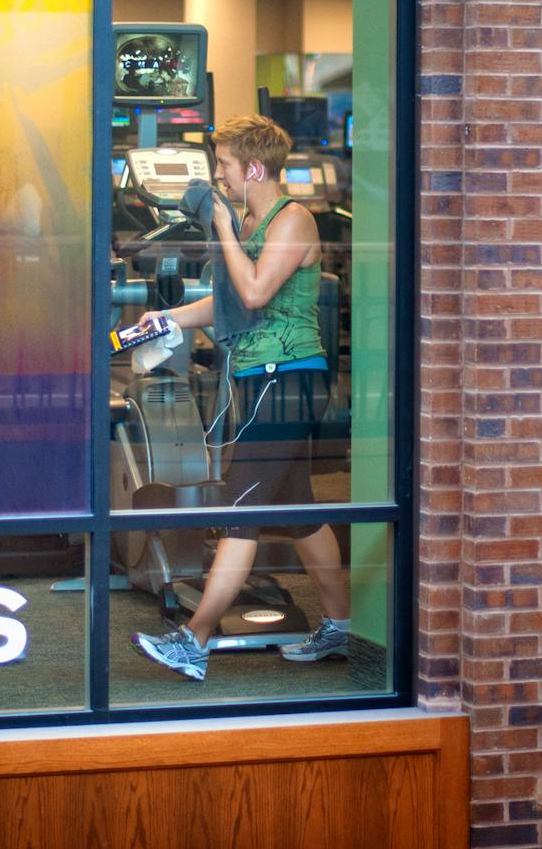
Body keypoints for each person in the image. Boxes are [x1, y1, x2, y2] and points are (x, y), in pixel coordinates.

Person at [130, 113, 352, 682]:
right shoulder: (253, 221)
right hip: (263, 377)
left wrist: (224, 226)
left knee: (239, 510)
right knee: (297, 510)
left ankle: (193, 641)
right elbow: (228, 303)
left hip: (287, 377)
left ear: (254, 167)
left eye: (226, 165)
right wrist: (170, 318)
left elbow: (254, 292)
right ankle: (340, 626)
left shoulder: (292, 220)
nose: (220, 176)